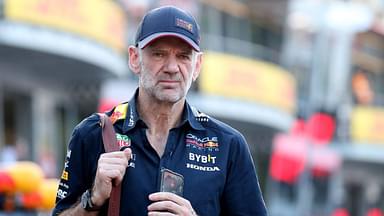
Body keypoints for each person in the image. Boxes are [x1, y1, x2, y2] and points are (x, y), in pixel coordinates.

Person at [53, 5, 267, 216]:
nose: (172, 67)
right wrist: (93, 199)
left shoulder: (228, 145)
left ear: (197, 65)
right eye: (158, 54)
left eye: (183, 56)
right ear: (134, 58)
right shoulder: (93, 133)